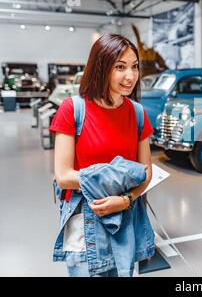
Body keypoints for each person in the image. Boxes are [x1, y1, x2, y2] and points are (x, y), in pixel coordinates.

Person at [50, 33, 155, 277]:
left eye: (134, 67)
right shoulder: (73, 109)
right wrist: (117, 177)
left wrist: (126, 199)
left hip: (126, 218)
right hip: (86, 219)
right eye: (120, 67)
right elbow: (63, 176)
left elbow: (147, 172)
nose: (130, 76)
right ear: (101, 67)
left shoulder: (138, 114)